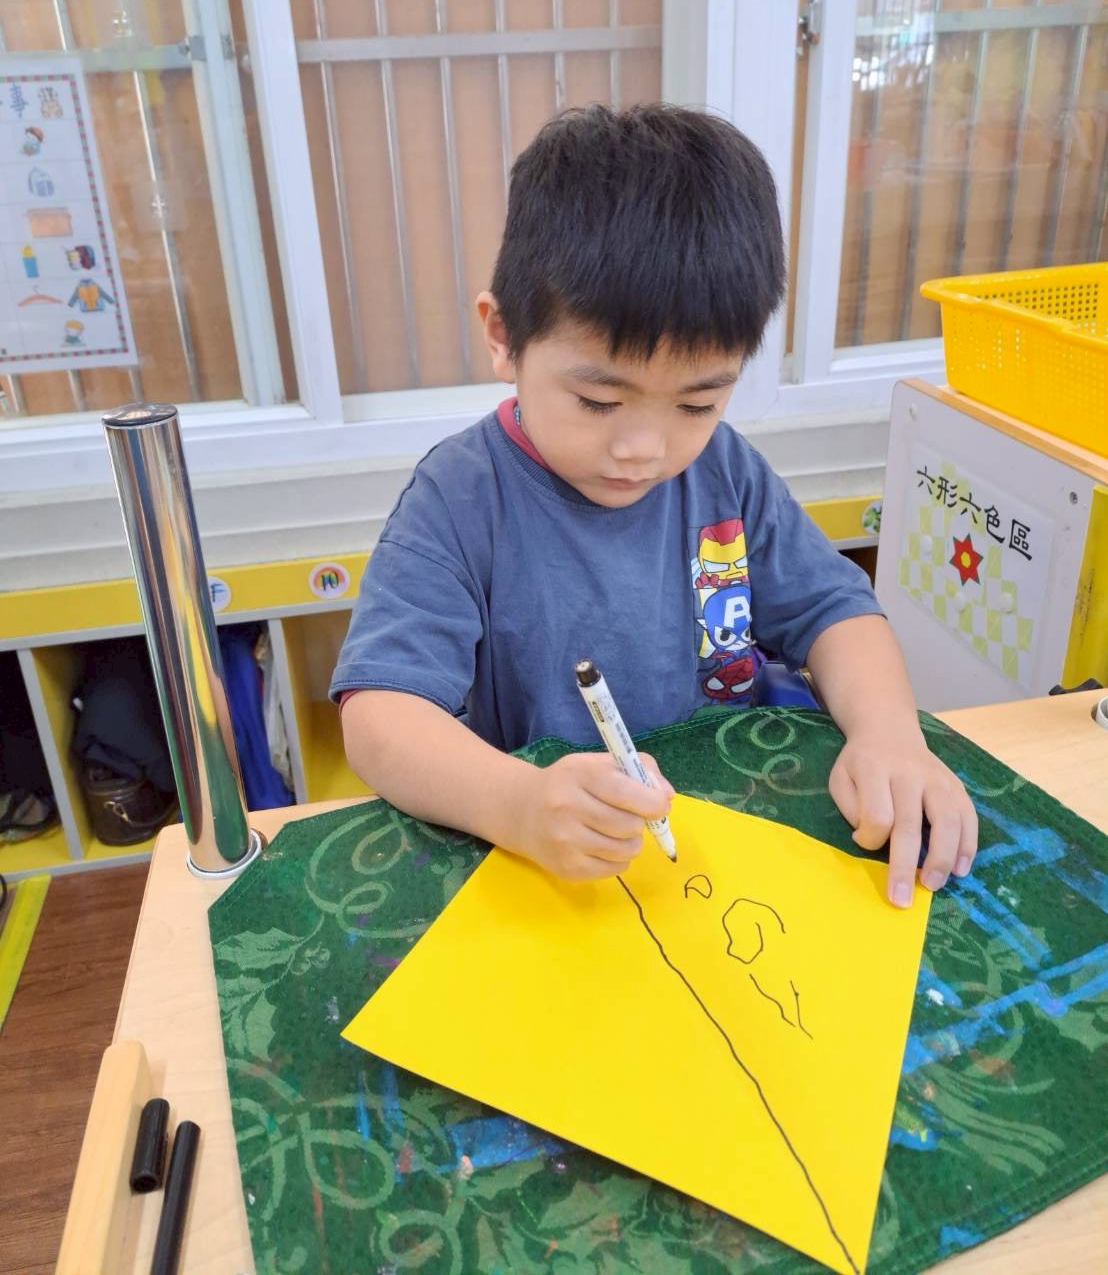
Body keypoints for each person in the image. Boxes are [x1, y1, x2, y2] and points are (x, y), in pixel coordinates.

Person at [332, 104, 977, 906]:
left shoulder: (725, 470)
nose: (645, 448)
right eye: (600, 401)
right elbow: (380, 713)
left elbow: (836, 611)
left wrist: (891, 735)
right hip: (552, 859)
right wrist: (518, 803)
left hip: (724, 840)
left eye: (697, 404)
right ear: (503, 336)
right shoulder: (461, 496)